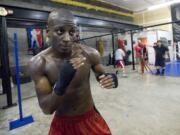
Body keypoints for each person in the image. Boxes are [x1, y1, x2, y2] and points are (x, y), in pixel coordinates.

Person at [28, 9, 118, 135]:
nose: (67, 38)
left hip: (89, 119)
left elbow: (102, 76)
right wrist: (61, 83)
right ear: (48, 32)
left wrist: (110, 78)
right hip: (62, 124)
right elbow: (47, 109)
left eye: (72, 32)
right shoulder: (39, 63)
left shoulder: (89, 53)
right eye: (60, 31)